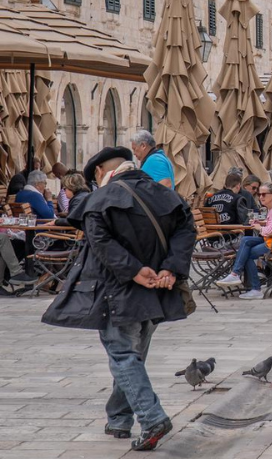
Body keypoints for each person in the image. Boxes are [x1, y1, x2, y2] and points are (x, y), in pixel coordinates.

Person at [42, 149, 195, 452]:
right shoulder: (166, 195)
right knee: (131, 357)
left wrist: (135, 271)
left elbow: (100, 242)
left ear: (100, 171)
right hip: (156, 290)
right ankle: (119, 418)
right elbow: (186, 231)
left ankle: (151, 418)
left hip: (118, 290)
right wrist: (169, 268)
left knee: (123, 356)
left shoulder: (101, 198)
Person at [214, 182, 272, 299]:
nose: (260, 197)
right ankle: (237, 275)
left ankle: (251, 286)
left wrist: (259, 227)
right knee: (246, 240)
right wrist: (262, 223)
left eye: (264, 194)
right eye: (259, 194)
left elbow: (271, 230)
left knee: (247, 253)